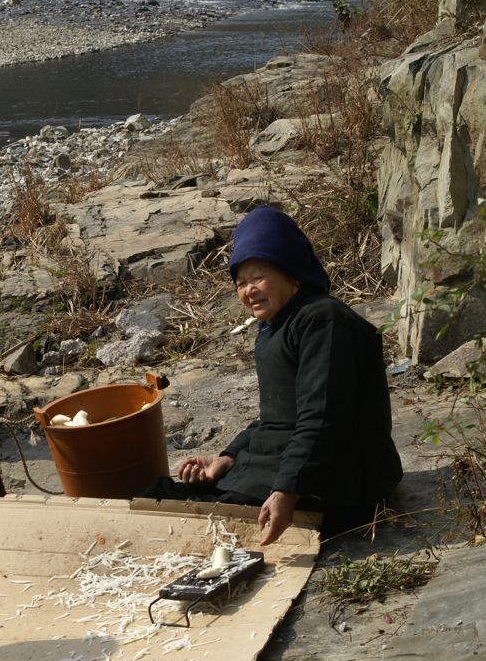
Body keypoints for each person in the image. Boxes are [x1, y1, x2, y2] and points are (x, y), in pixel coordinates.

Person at [140, 206, 403, 545]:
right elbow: (276, 417)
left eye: (258, 278)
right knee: (157, 497)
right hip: (285, 461)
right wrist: (227, 458)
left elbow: (323, 416)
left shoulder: (324, 322)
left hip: (343, 481)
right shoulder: (276, 325)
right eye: (241, 283)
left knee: (186, 523)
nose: (249, 290)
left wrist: (287, 491)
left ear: (292, 273)